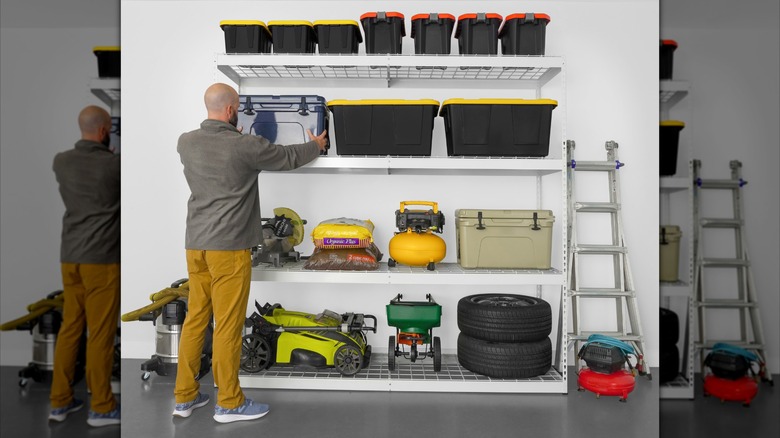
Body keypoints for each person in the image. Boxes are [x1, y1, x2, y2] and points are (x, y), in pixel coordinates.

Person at [173, 83, 327, 423]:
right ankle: (229, 402)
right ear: (231, 111)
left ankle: (184, 397)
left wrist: (235, 137)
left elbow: (218, 157)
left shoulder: (186, 142)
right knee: (228, 326)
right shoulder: (244, 146)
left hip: (195, 245)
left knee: (196, 319)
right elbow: (287, 158)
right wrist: (315, 145)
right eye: (237, 108)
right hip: (227, 248)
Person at [49, 105, 121, 427]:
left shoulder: (61, 162)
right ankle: (102, 408)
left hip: (70, 257)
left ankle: (60, 402)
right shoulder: (115, 164)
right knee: (100, 335)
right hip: (101, 261)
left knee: (70, 329)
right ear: (105, 131)